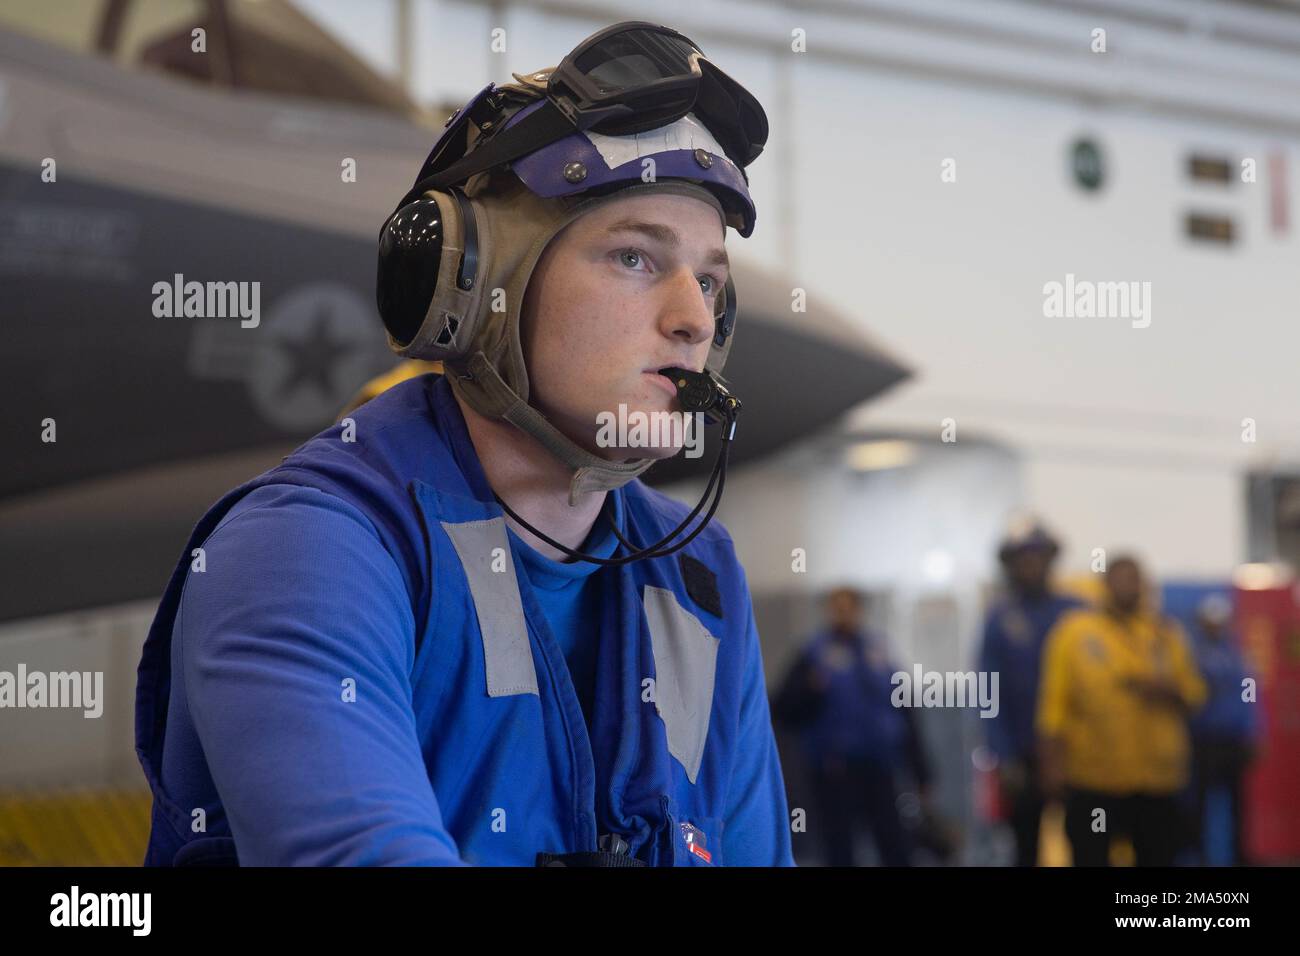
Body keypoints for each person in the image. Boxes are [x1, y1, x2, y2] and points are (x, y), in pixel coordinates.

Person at [134, 21, 793, 866]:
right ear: (472, 282)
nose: (694, 318)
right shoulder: (308, 551)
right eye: (634, 257)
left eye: (708, 280)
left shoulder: (699, 577)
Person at [1036, 555, 1207, 866]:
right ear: (1105, 583)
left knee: (1157, 857)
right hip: (1094, 781)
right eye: (1120, 577)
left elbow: (1195, 695)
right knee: (1091, 855)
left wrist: (1168, 691)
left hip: (1157, 781)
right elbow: (1053, 708)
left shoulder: (1165, 634)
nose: (1128, 585)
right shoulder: (1074, 634)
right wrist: (1052, 767)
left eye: (1135, 578)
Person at [774, 587, 932, 866]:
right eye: (837, 607)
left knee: (895, 844)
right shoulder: (813, 653)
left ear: (859, 610)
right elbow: (784, 708)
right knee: (839, 848)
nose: (843, 613)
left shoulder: (879, 652)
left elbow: (905, 711)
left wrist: (921, 770)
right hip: (834, 770)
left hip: (879, 766)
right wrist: (809, 690)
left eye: (849, 607)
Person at [976, 518, 1083, 866]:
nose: (1031, 565)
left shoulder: (1074, 613)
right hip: (1022, 754)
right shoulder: (1000, 618)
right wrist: (1003, 756)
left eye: (1038, 557)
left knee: (1087, 841)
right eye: (1022, 558)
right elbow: (988, 693)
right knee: (1025, 847)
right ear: (1010, 565)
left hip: (1076, 753)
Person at [1187, 594, 1260, 865]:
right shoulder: (1191, 653)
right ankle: (1198, 856)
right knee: (1198, 803)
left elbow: (1250, 697)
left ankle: (1241, 856)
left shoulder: (1237, 656)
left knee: (1238, 804)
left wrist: (1253, 732)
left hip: (1232, 741)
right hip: (1202, 740)